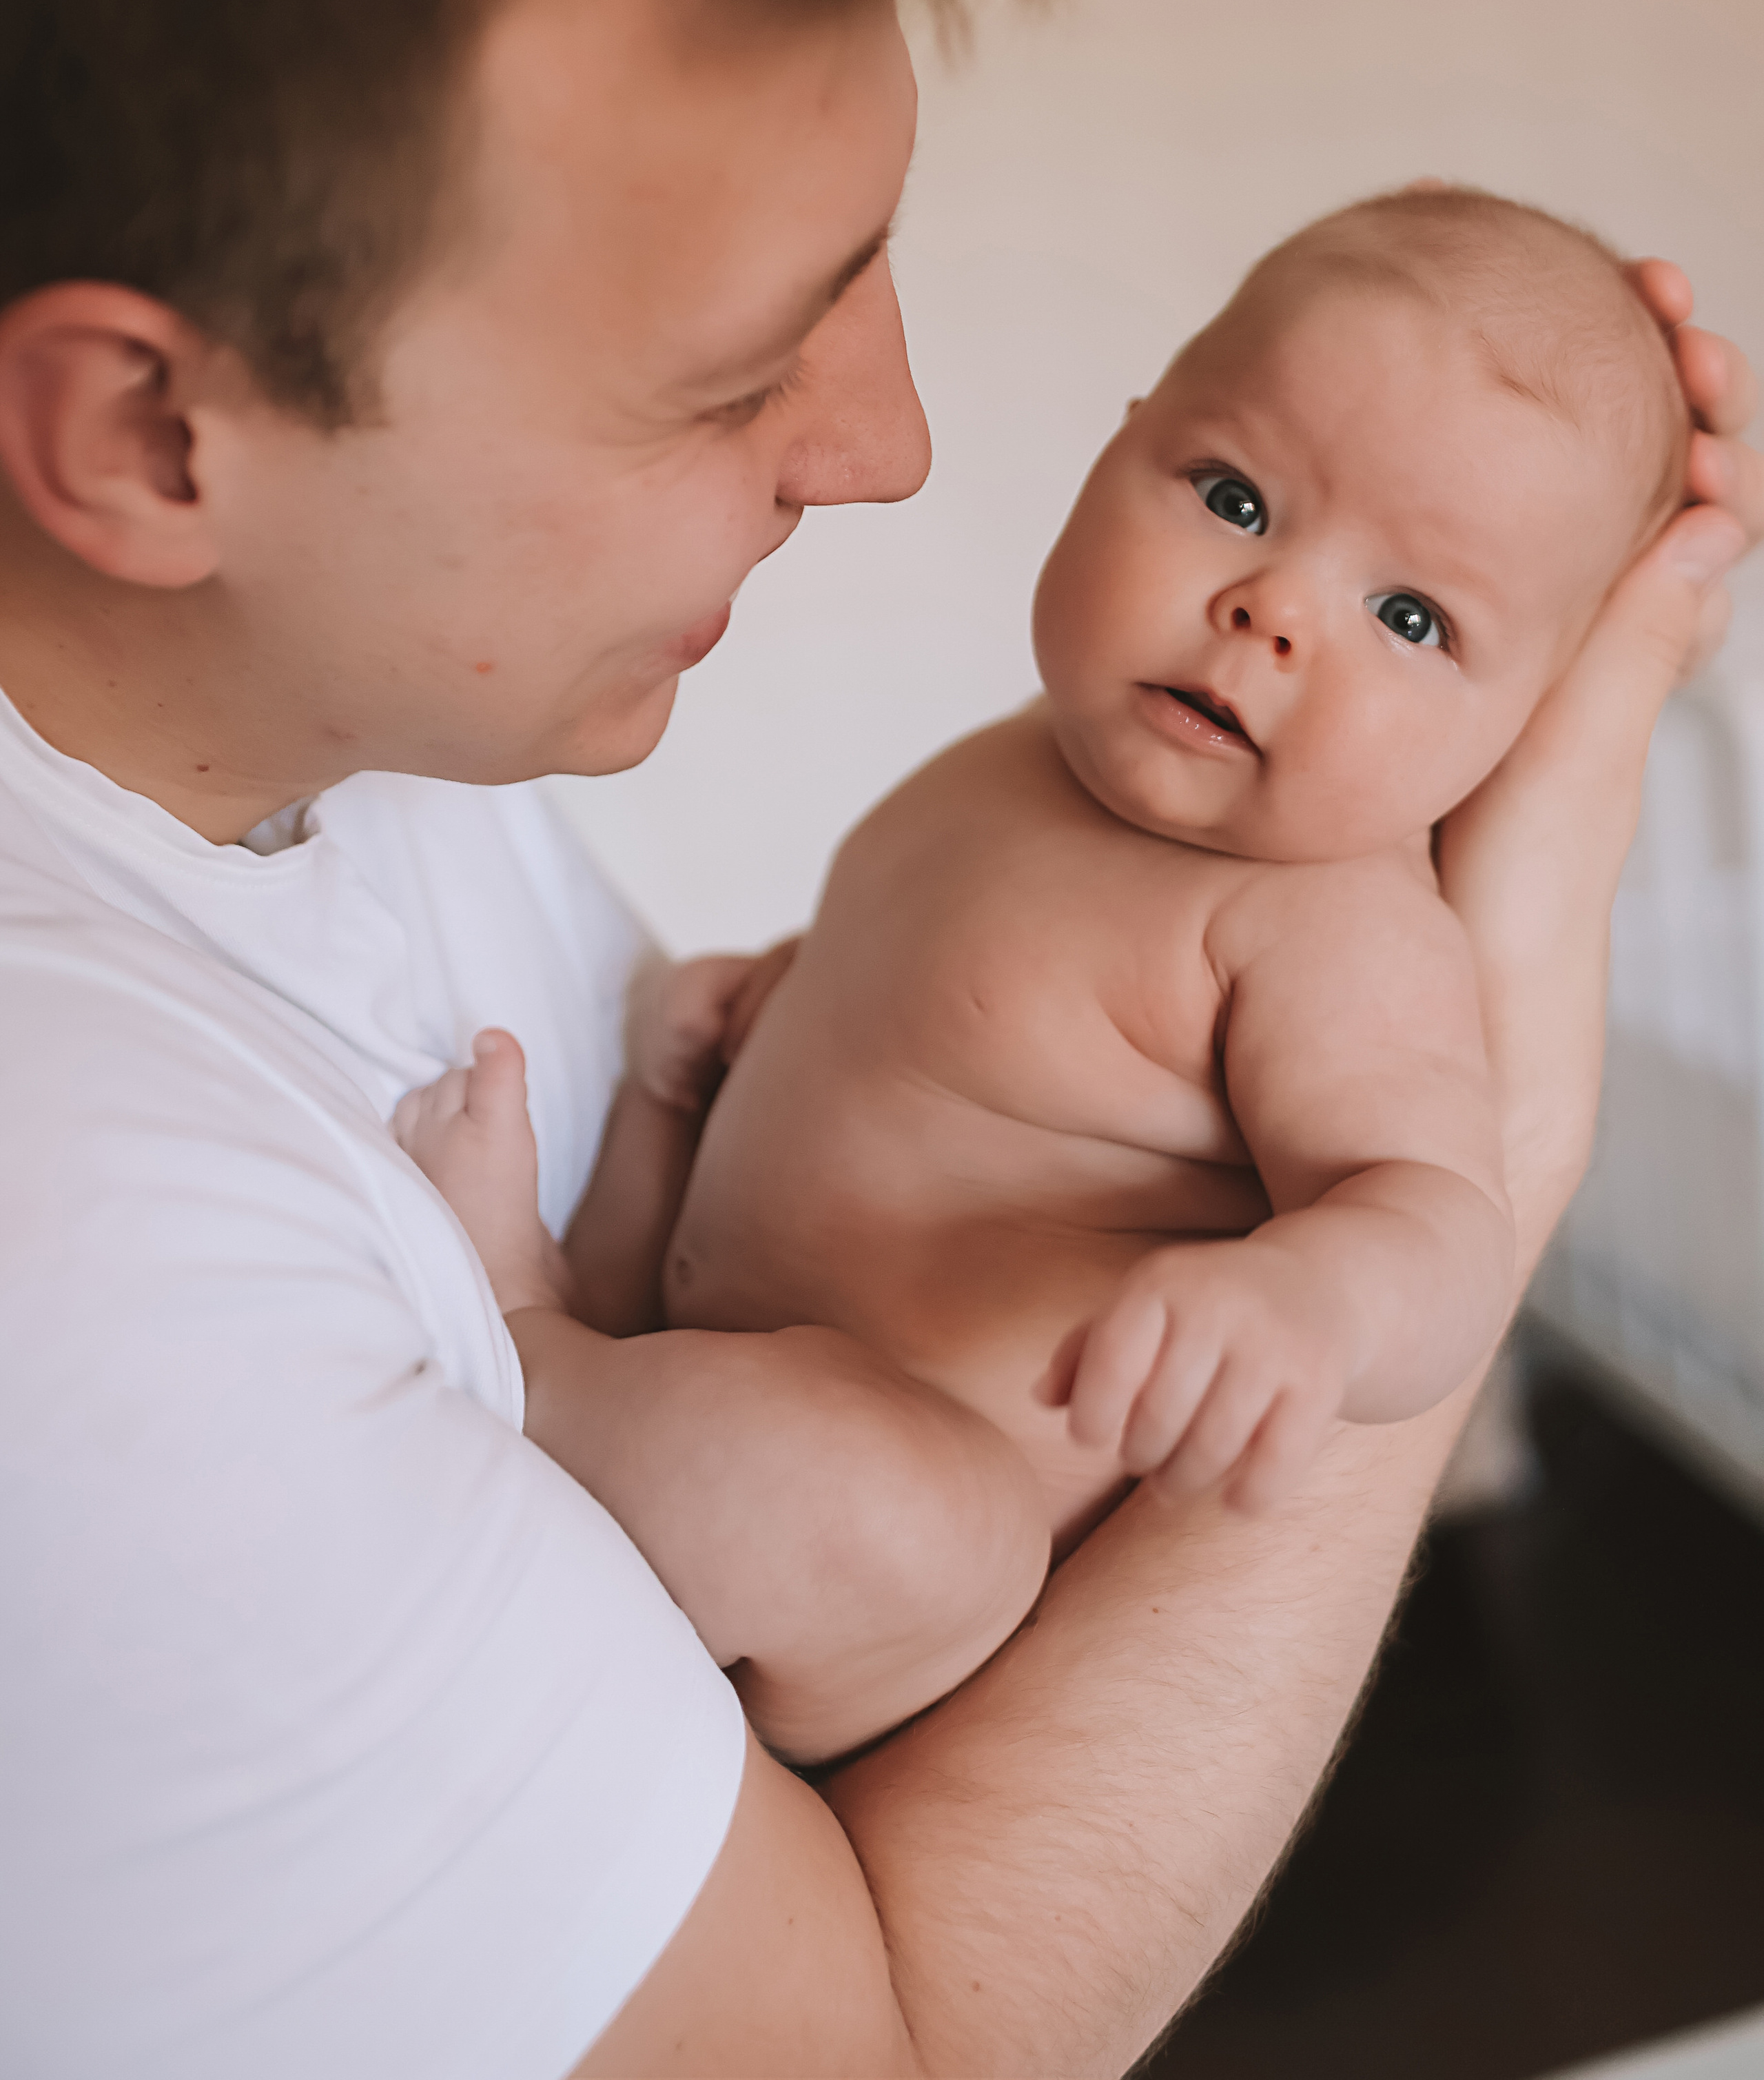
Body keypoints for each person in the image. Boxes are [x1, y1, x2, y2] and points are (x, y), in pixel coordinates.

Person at [0, 0, 1754, 2075]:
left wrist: (1399, 1154)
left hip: (916, 1499)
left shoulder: (380, 741)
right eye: (735, 367)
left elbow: (1317, 1186)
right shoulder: (88, 1275)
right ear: (150, 442)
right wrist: (1521, 1101)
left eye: (1411, 610)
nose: (895, 444)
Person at [396, 183, 1692, 1764]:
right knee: (672, 1156)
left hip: (907, 1568)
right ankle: (598, 1346)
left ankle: (530, 1352)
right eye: (1230, 495)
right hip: (719, 1348)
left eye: (1408, 615)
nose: (1268, 608)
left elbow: (1435, 1216)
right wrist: (756, 1007)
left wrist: (1313, 1299)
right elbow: (959, 1036)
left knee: (891, 1521)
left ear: (1521, 728)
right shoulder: (1039, 760)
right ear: (1119, 445)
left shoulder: (1328, 927)